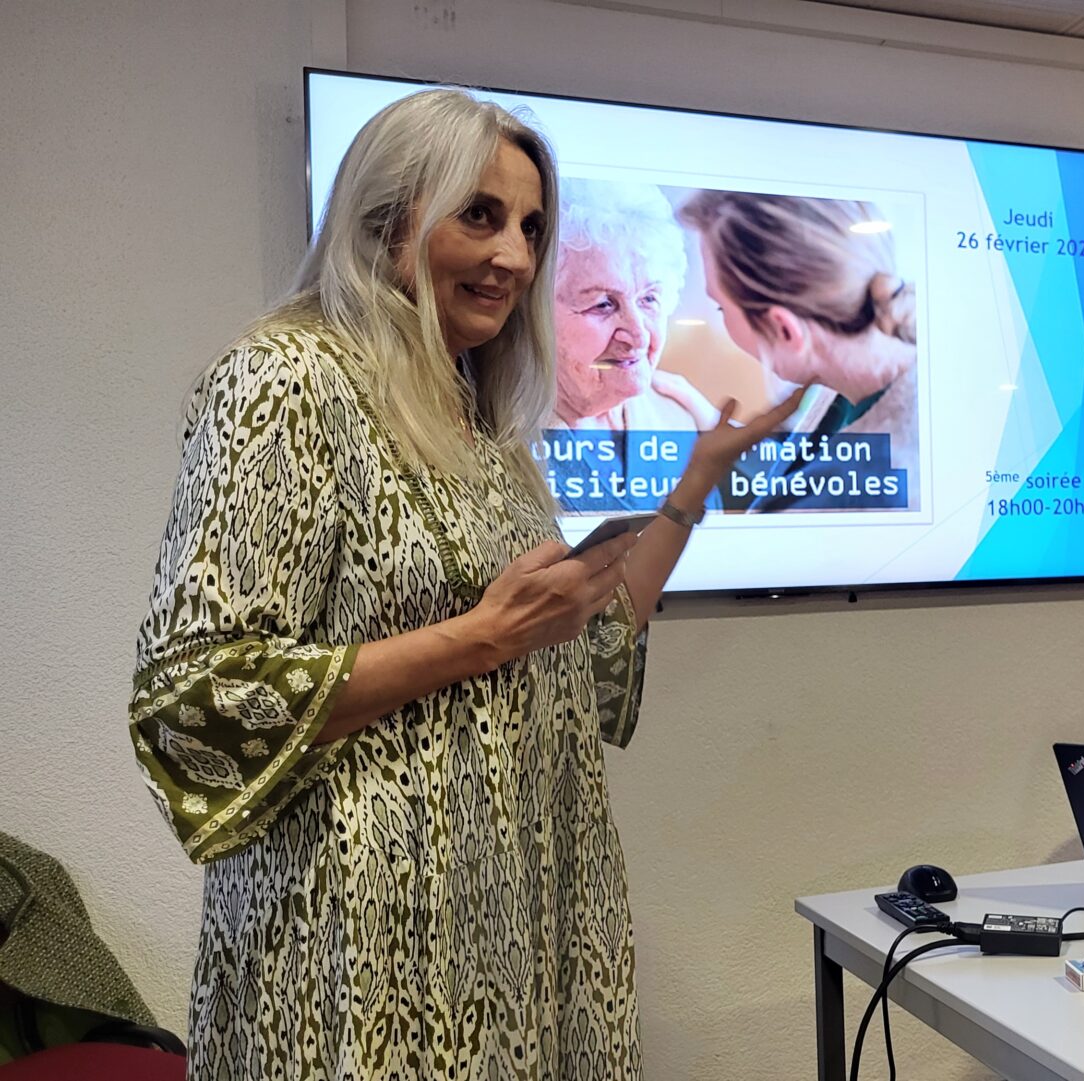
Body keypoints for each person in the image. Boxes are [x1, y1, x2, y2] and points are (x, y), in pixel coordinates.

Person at [128, 88, 797, 1078]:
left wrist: (696, 481)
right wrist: (478, 638)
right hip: (363, 963)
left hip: (516, 932)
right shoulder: (286, 381)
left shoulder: (478, 418)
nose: (517, 256)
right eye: (479, 215)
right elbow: (197, 698)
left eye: (531, 226)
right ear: (387, 215)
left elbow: (586, 644)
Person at [678, 191, 919, 511]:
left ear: (785, 330)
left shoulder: (863, 496)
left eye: (720, 307)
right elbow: (795, 469)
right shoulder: (856, 379)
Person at [549, 177, 717, 430]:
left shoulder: (687, 419)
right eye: (603, 304)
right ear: (536, 312)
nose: (639, 336)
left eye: (648, 299)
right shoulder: (492, 430)